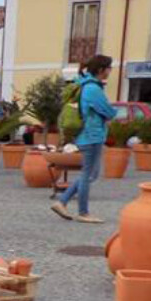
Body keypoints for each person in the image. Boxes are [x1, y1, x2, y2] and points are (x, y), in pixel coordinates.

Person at [51, 54, 116, 225]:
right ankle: (83, 212)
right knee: (88, 174)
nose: (110, 71)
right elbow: (108, 111)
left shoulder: (85, 85)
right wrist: (111, 113)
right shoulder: (93, 88)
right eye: (109, 68)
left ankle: (62, 202)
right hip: (92, 135)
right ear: (101, 70)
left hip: (88, 135)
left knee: (90, 174)